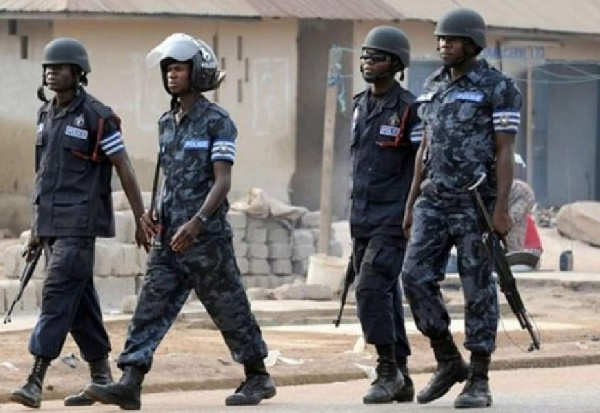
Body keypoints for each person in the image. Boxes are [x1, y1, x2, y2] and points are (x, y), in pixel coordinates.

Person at [82, 33, 276, 410]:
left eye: (179, 68)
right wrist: (154, 211)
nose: (171, 74)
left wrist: (199, 221)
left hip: (206, 239)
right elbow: (168, 176)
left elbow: (223, 179)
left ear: (197, 73)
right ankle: (130, 381)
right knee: (149, 307)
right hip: (170, 238)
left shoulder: (218, 121)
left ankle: (258, 376)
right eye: (168, 68)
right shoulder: (166, 123)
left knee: (229, 308)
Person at [9, 38, 149, 409]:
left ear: (78, 73)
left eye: (60, 67)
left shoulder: (97, 117)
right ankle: (102, 376)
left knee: (57, 295)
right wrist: (38, 229)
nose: (51, 72)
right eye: (48, 67)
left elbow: (125, 167)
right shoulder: (45, 116)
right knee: (79, 300)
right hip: (52, 226)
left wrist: (140, 219)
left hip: (80, 225)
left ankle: (35, 379)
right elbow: (44, 176)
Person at [401, 8, 522, 409]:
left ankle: (480, 376)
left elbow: (505, 151)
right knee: (414, 276)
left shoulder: (497, 87)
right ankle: (449, 360)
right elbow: (423, 150)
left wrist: (502, 208)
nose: (442, 45)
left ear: (472, 44)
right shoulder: (432, 85)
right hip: (433, 201)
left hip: (477, 203)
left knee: (478, 288)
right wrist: (411, 202)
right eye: (439, 39)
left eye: (451, 40)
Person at [349, 25, 422, 404]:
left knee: (370, 289)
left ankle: (386, 369)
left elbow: (420, 168)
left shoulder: (411, 109)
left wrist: (410, 212)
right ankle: (403, 374)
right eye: (364, 56)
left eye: (375, 57)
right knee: (385, 294)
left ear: (394, 64)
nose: (366, 62)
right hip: (361, 219)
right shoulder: (360, 104)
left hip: (394, 219)